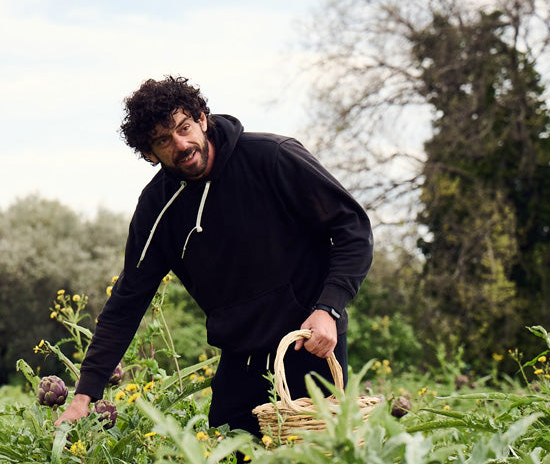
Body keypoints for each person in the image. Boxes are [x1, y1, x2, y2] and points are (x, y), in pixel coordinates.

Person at [56, 75, 372, 438]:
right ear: (149, 153)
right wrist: (84, 396)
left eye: (184, 127)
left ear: (202, 119)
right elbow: (128, 299)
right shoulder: (158, 208)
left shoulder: (273, 157)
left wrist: (328, 308)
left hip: (310, 344)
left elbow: (353, 229)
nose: (181, 143)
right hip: (240, 360)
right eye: (163, 140)